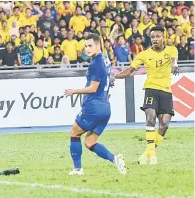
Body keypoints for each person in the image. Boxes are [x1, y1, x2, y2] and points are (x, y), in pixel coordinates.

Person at [114, 26, 179, 165]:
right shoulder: (143, 54)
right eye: (153, 37)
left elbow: (174, 60)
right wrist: (115, 76)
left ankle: (147, 153)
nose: (155, 39)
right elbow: (129, 70)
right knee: (150, 117)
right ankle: (153, 157)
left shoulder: (171, 50)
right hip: (151, 89)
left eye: (158, 36)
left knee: (164, 124)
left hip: (166, 90)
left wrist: (174, 65)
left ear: (164, 37)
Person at [64, 33, 126, 176]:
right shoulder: (105, 59)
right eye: (85, 46)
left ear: (98, 45)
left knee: (74, 133)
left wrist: (74, 91)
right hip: (105, 108)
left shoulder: (95, 63)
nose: (87, 49)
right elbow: (108, 77)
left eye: (90, 46)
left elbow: (92, 88)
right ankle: (115, 159)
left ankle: (78, 169)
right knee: (90, 142)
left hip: (93, 107)